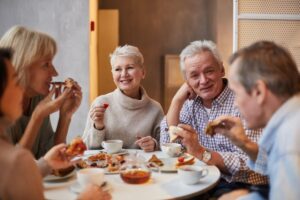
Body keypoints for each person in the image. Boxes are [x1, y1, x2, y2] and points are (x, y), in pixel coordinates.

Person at [160, 40, 268, 197]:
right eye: (194, 75)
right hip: (200, 178)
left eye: (209, 71)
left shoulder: (242, 100)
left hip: (238, 184)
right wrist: (176, 101)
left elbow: (253, 164)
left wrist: (202, 153)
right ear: (187, 81)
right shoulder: (189, 104)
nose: (203, 80)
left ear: (221, 70)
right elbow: (168, 144)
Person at [0, 48, 111, 200]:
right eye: (15, 80)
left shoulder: (38, 100)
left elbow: (15, 175)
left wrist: (46, 163)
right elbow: (16, 169)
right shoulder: (15, 159)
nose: (55, 73)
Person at [213, 41, 300, 200]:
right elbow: (275, 167)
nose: (235, 103)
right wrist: (242, 142)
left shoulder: (290, 141)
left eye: (236, 93)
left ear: (259, 92)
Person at [0, 26, 82, 159]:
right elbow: (8, 169)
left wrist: (65, 116)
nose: (55, 73)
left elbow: (50, 158)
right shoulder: (4, 105)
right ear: (21, 66)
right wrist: (37, 117)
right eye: (46, 64)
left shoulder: (38, 97)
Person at [83, 45, 164, 152]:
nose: (124, 74)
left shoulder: (155, 108)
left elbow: (166, 146)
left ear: (143, 72)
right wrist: (98, 127)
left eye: (130, 67)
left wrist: (154, 144)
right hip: (107, 167)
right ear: (112, 74)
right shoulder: (100, 103)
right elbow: (86, 149)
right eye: (118, 69)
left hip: (141, 167)